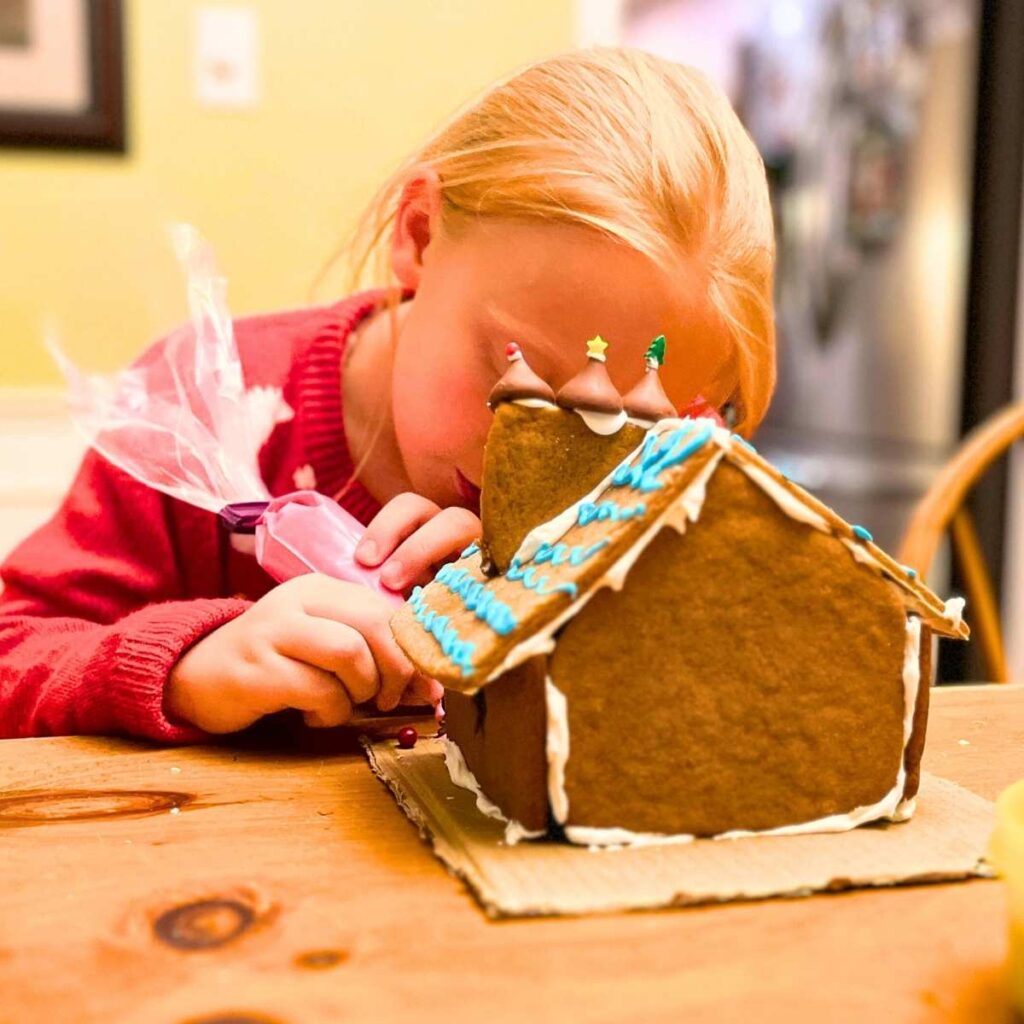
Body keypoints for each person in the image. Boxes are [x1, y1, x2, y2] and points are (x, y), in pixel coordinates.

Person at [0, 47, 776, 742]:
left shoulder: (677, 470)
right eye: (515, 378)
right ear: (420, 235)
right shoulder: (208, 407)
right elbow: (12, 652)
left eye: (623, 428)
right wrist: (185, 664)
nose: (541, 455)